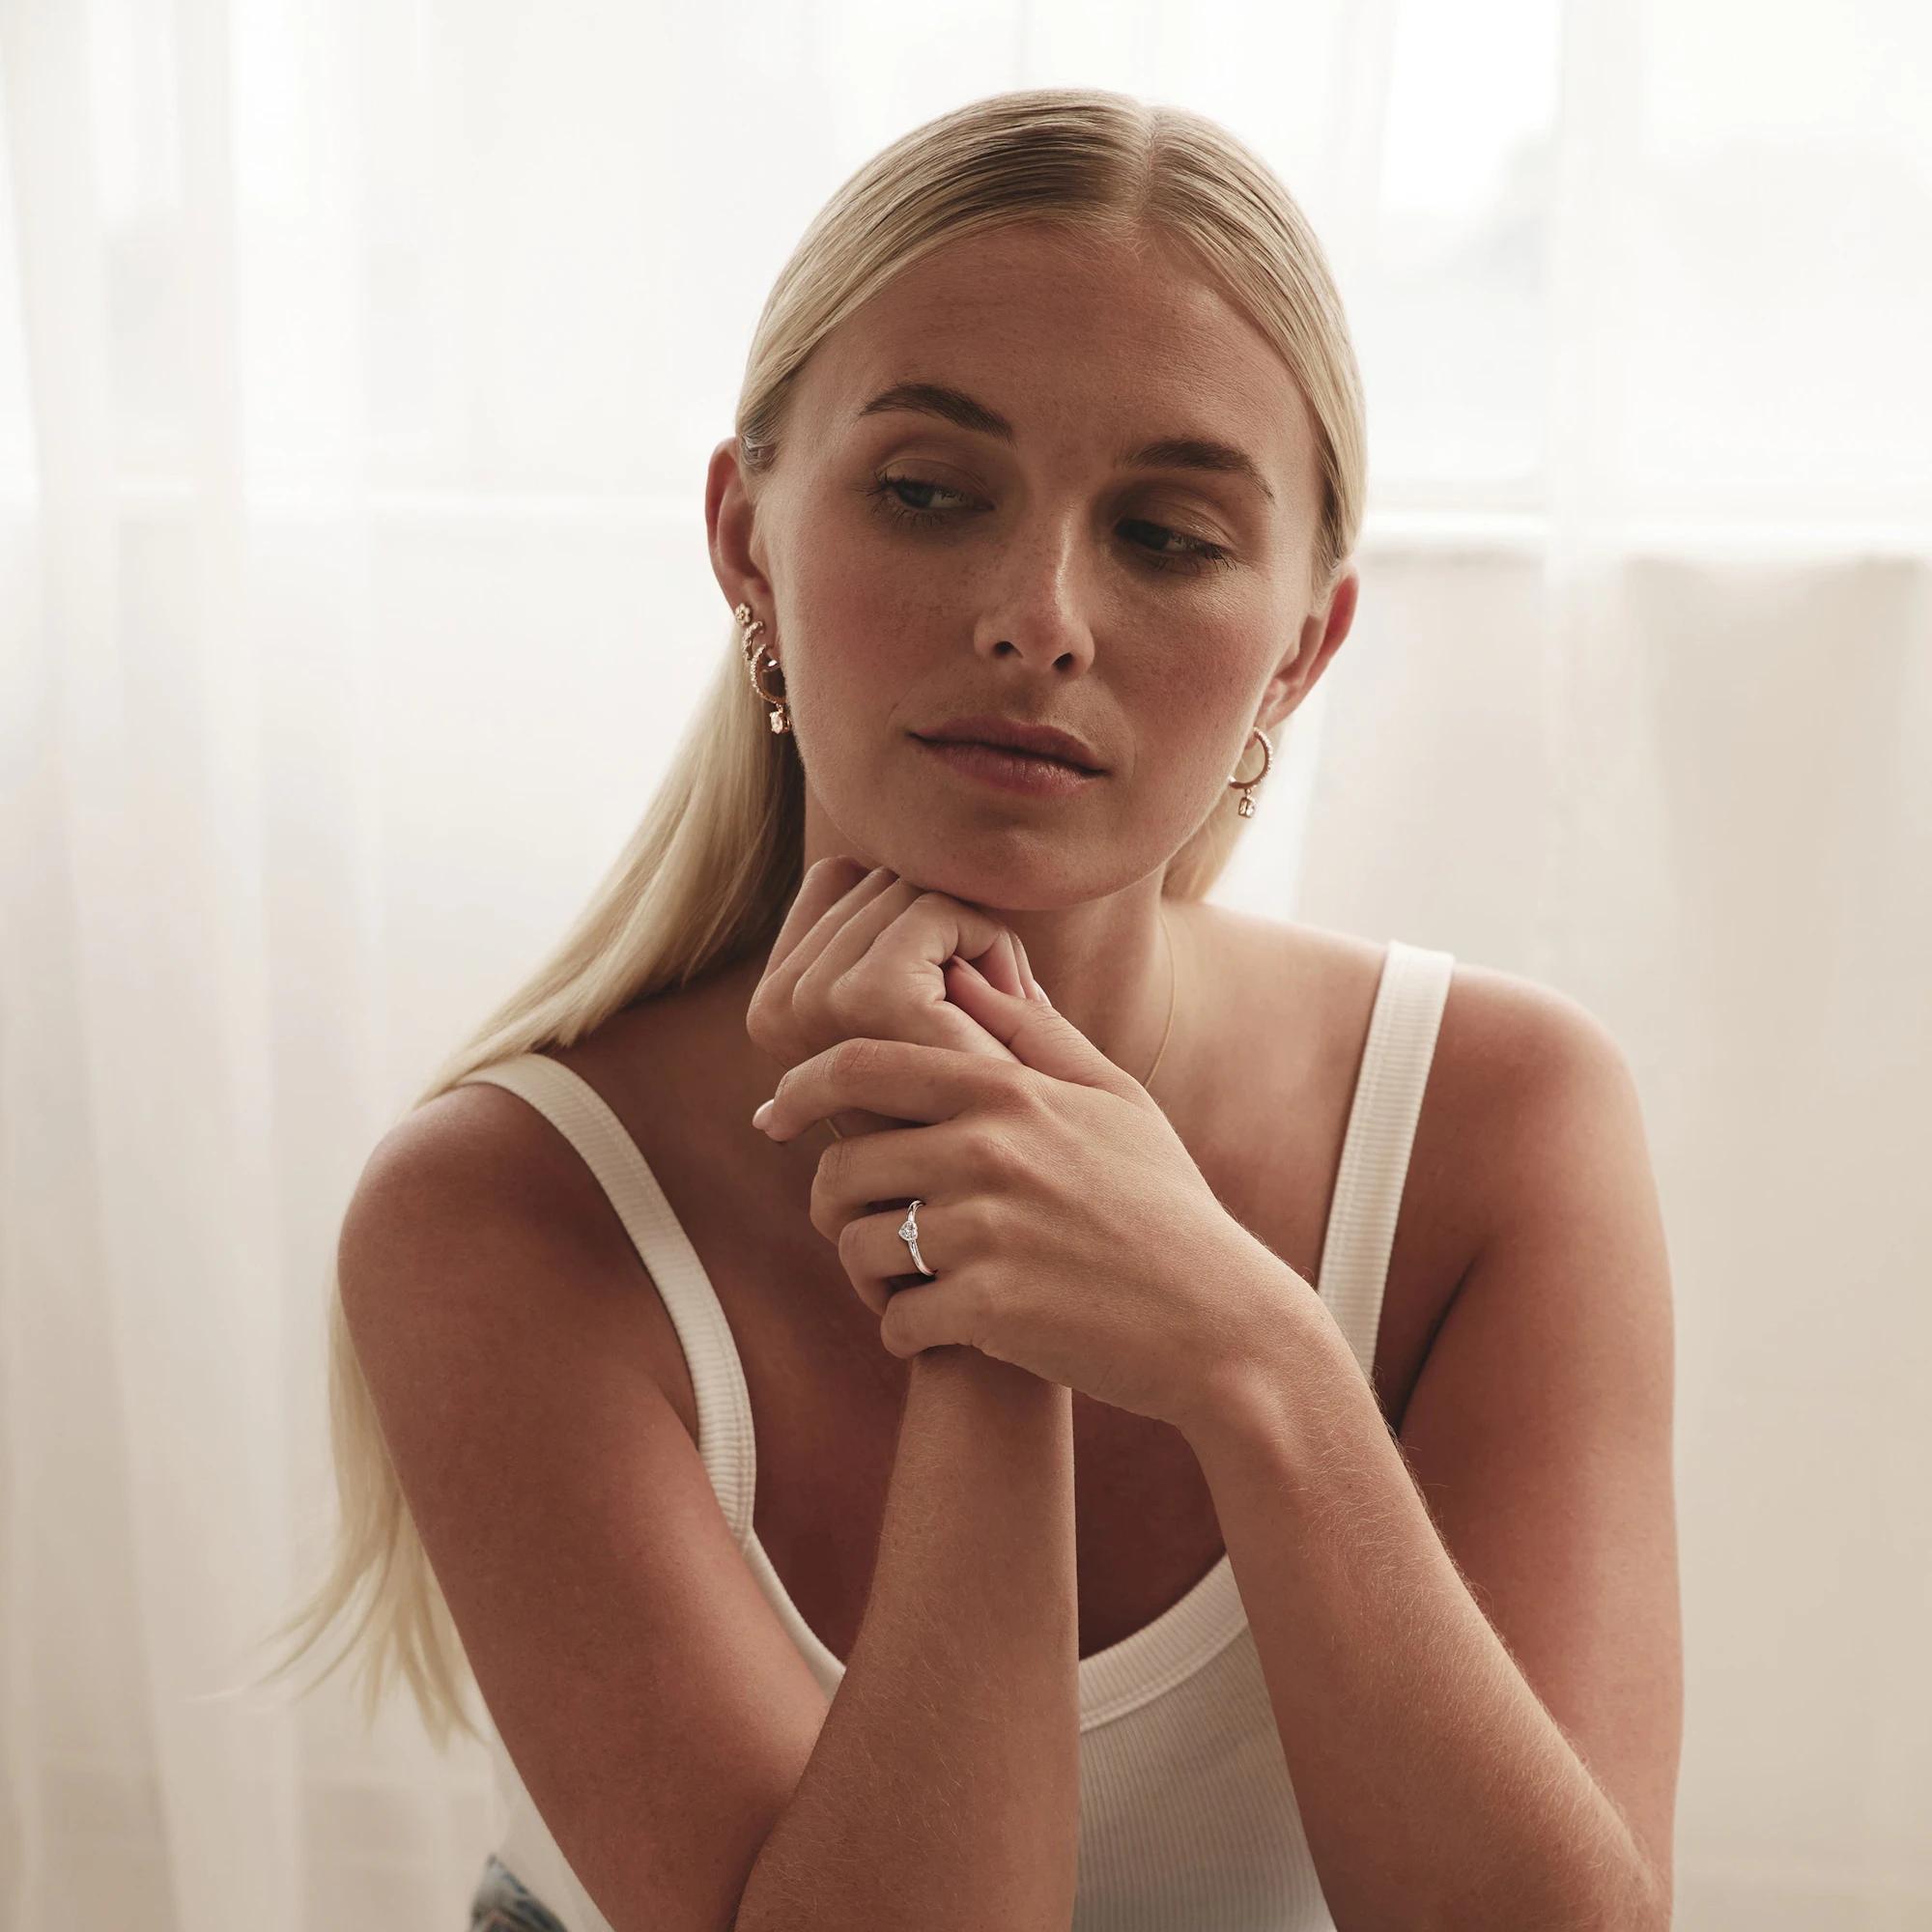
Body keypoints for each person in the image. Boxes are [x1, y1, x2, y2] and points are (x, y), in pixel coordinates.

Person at [279, 89, 1681, 1932]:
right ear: (748, 540)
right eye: (931, 495)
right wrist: (990, 1286)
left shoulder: (1501, 1124)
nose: (1039, 618)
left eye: (1170, 537)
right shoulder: (500, 1212)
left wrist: (1251, 1355)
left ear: (1303, 648)